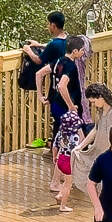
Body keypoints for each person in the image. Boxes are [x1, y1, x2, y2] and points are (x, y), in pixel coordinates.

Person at [47, 36, 86, 202]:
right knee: (76, 142)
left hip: (57, 106)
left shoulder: (59, 61)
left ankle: (58, 180)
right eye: (82, 50)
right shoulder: (70, 65)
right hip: (67, 109)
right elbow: (62, 85)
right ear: (75, 51)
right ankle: (64, 179)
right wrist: (71, 105)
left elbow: (41, 73)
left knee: (64, 143)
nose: (84, 52)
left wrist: (45, 96)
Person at [79, 83, 112, 155]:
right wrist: (80, 147)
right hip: (99, 153)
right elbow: (95, 130)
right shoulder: (100, 113)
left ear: (101, 97)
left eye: (94, 102)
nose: (93, 105)